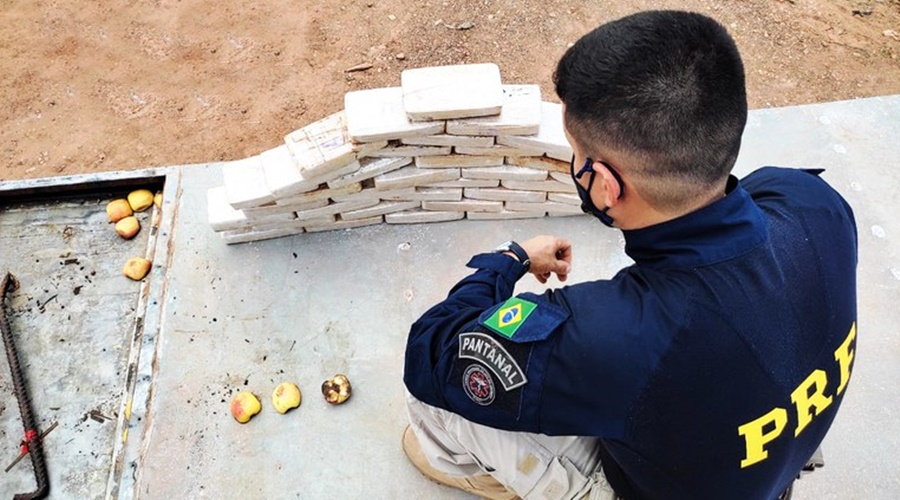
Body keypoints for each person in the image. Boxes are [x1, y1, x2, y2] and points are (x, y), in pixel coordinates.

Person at [402, 10, 858, 500]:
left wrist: (511, 258)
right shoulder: (813, 203)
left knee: (433, 412)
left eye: (577, 153)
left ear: (607, 184)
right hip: (771, 458)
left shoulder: (616, 335)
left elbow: (430, 351)